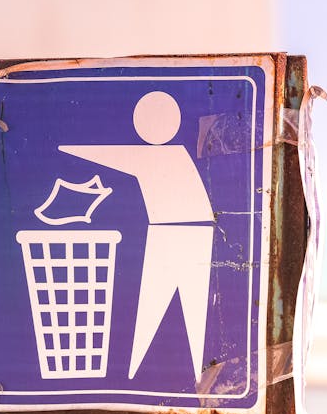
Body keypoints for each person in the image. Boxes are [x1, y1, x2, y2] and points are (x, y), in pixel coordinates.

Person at [60, 91, 213, 381]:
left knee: (166, 309)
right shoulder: (176, 154)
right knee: (166, 310)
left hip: (177, 234)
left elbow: (119, 158)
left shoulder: (161, 155)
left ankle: (150, 376)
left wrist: (70, 148)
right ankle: (140, 374)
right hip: (189, 233)